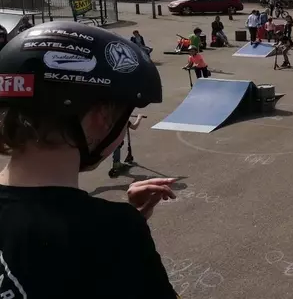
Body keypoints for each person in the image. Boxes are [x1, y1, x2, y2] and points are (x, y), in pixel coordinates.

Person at [0, 20, 178, 297]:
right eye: (125, 116)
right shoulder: (114, 232)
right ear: (102, 117)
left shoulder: (110, 228)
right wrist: (116, 231)